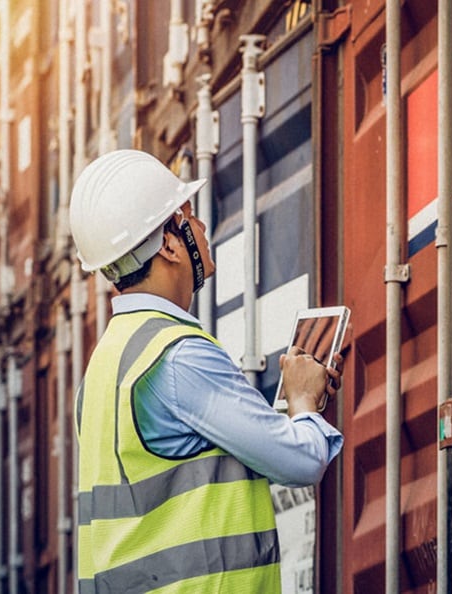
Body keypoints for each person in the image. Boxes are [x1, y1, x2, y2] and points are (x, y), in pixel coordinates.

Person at [69, 149, 343, 593]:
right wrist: (304, 400)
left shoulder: (103, 369)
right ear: (169, 245)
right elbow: (302, 460)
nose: (201, 227)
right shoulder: (179, 355)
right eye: (189, 216)